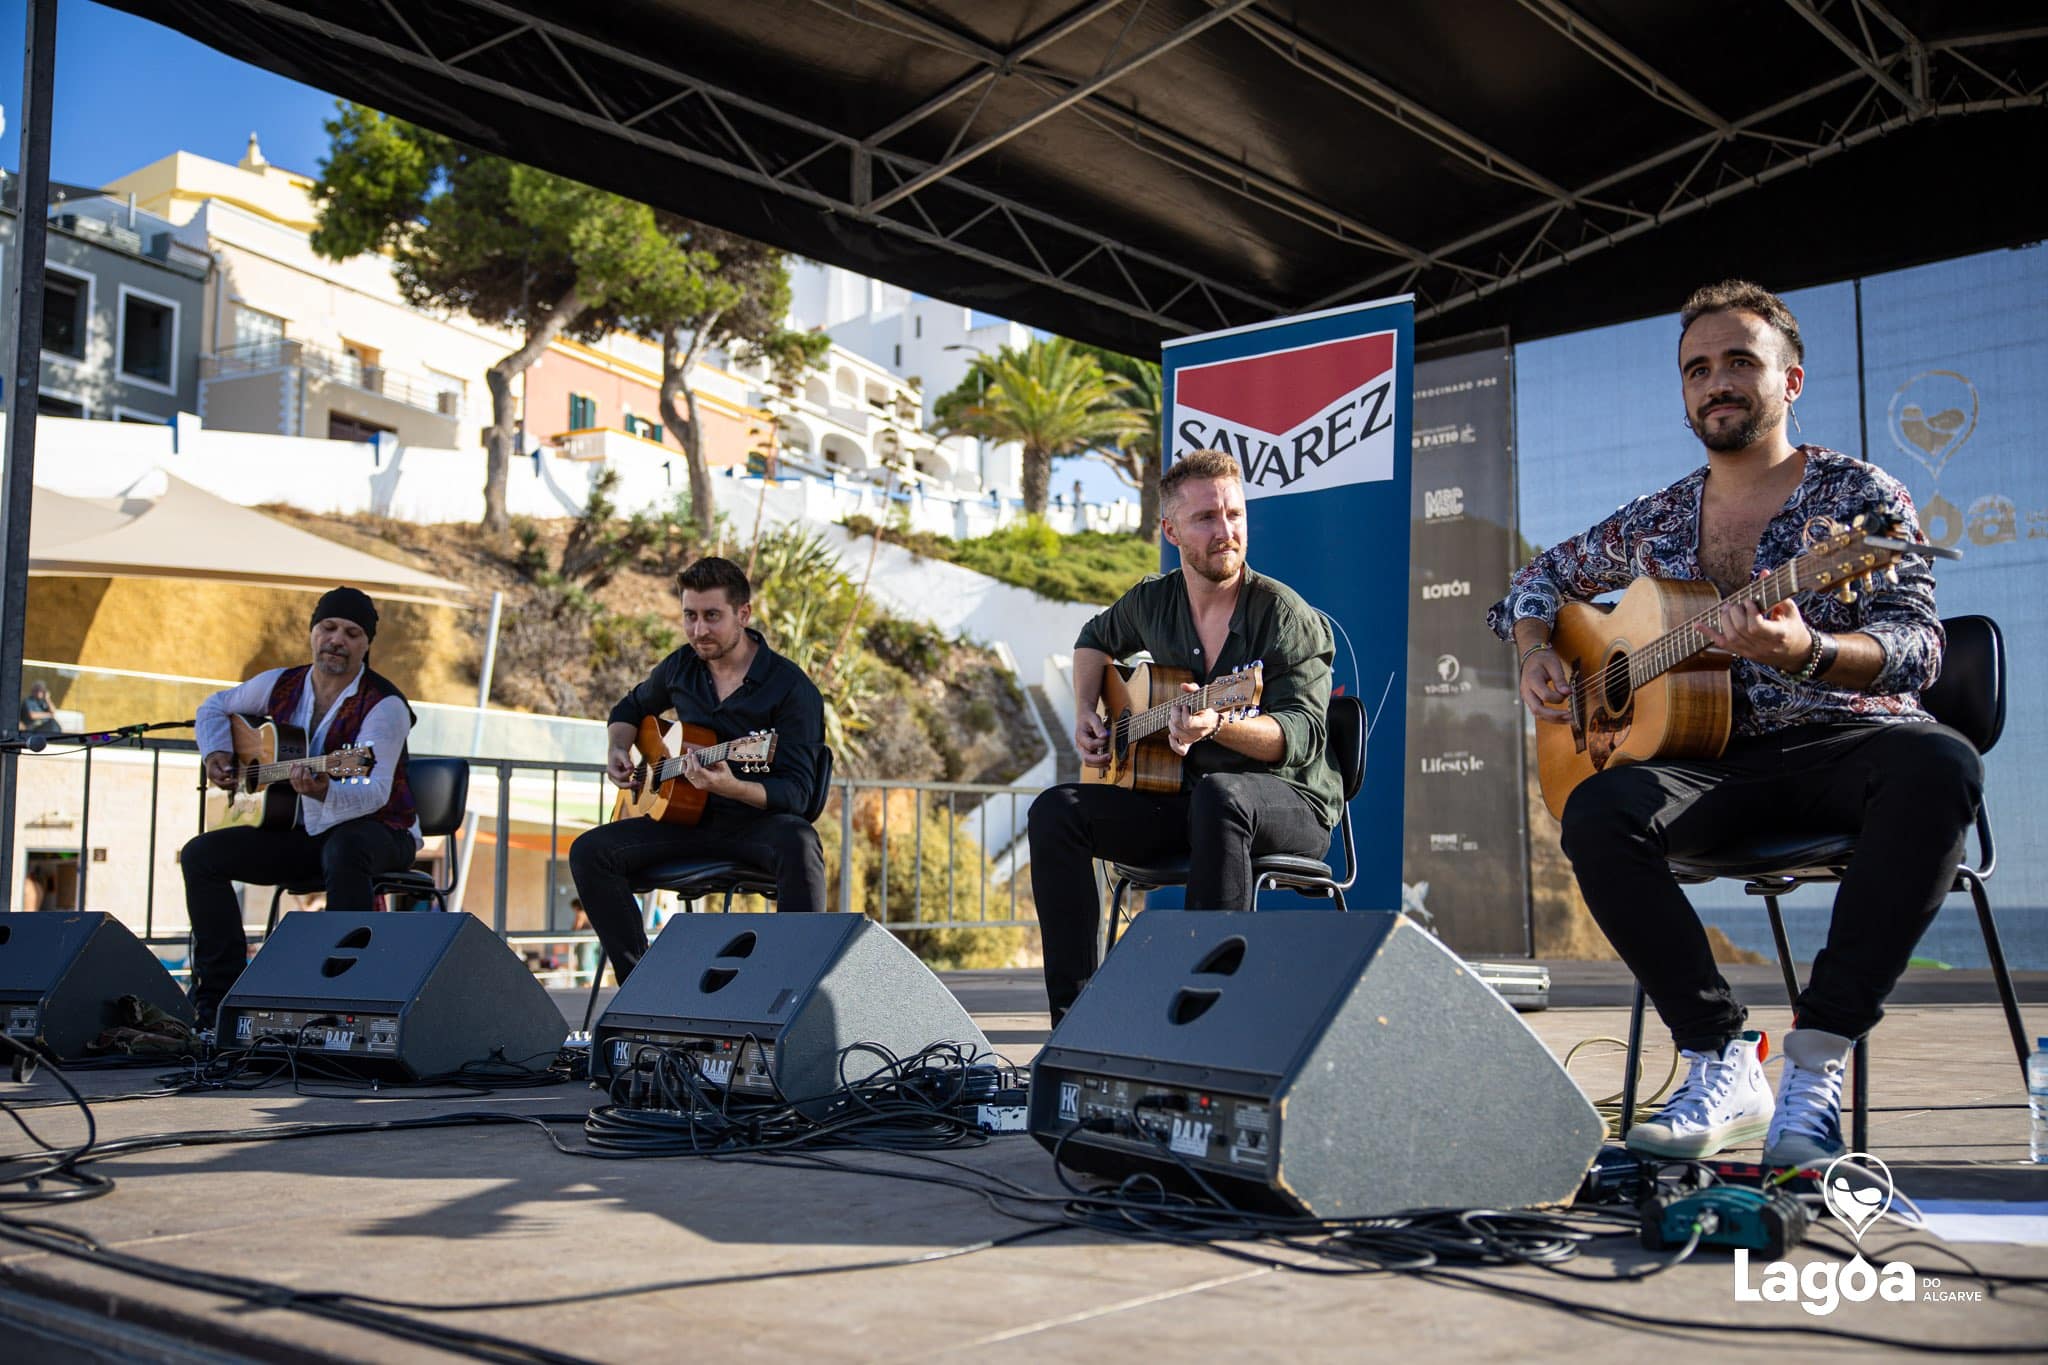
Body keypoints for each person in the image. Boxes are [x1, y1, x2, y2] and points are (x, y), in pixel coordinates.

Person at [1490, 280, 1980, 1168]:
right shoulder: (1658, 517)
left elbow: (1919, 646)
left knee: (1939, 766)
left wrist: (1811, 652)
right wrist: (1536, 649)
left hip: (1841, 737)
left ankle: (1818, 1061)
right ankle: (1721, 1056)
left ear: (1789, 381)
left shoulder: (1859, 498)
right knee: (1597, 809)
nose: (1718, 382)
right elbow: (1532, 582)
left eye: (1740, 363)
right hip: (1714, 761)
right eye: (1698, 369)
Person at [1027, 449, 1340, 1022]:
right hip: (1186, 803)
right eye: (1207, 519)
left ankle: (1203, 1018)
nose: (1227, 532)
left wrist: (1220, 722)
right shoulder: (1153, 600)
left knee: (1223, 793)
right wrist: (1085, 712)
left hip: (1289, 802)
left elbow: (1302, 735)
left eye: (1235, 515)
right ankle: (1076, 1019)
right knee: (1056, 811)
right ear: (1170, 529)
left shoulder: (1284, 615)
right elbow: (1093, 639)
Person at [569, 556, 827, 983]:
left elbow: (797, 794)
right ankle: (642, 984)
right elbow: (630, 707)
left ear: (743, 614)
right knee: (590, 851)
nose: (698, 630)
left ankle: (793, 985)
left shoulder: (791, 688)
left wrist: (732, 786)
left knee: (800, 843)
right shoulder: (681, 666)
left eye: (712, 616)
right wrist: (619, 746)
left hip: (754, 825)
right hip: (682, 821)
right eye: (689, 616)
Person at [181, 587, 421, 1024]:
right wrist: (217, 753)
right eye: (328, 628)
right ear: (312, 632)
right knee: (201, 856)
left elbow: (375, 790)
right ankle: (218, 1000)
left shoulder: (385, 706)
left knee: (346, 848)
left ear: (366, 644)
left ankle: (342, 996)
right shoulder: (279, 683)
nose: (337, 640)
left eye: (351, 633)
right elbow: (214, 707)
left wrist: (323, 791)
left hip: (384, 831)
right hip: (303, 830)